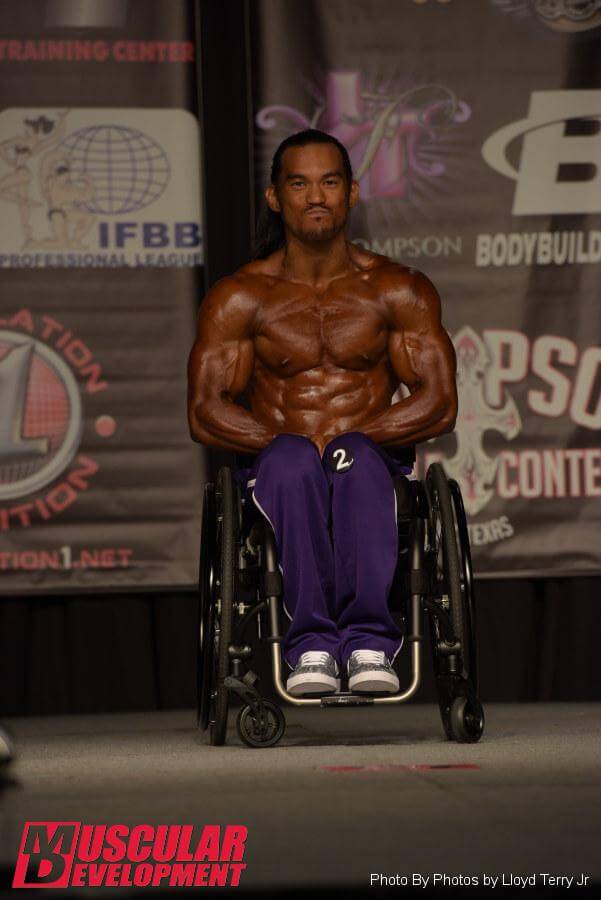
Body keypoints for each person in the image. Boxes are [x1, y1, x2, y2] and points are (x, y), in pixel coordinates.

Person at [187, 129, 457, 697]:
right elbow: (206, 410)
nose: (316, 196)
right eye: (299, 183)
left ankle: (367, 643)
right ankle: (310, 644)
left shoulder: (397, 289)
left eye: (330, 182)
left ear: (351, 193)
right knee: (291, 461)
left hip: (369, 465)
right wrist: (294, 446)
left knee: (352, 456)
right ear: (274, 197)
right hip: (280, 469)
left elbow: (439, 401)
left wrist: (346, 440)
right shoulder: (241, 297)